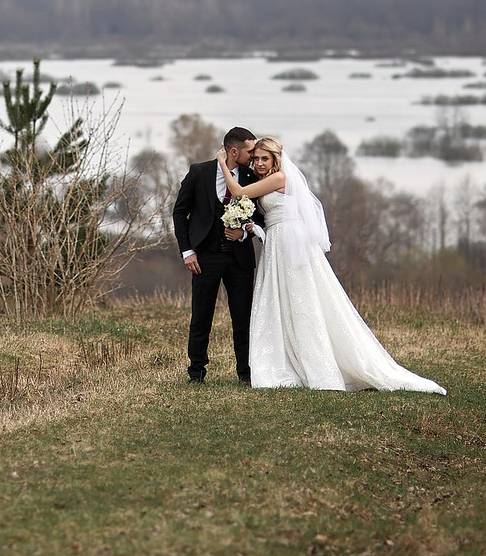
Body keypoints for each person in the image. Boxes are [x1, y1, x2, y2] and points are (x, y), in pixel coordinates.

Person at [220, 137, 446, 393]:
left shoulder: (280, 178)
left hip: (289, 241)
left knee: (303, 297)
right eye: (257, 158)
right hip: (276, 241)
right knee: (282, 298)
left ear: (276, 159)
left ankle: (321, 365)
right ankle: (287, 359)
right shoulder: (266, 181)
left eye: (265, 158)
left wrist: (222, 163)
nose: (260, 163)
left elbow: (238, 192)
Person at [172, 127, 264, 384]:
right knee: (201, 316)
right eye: (250, 151)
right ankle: (196, 373)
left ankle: (246, 374)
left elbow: (260, 218)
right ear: (234, 151)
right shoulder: (199, 172)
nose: (254, 155)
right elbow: (180, 213)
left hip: (240, 259)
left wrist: (245, 235)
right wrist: (187, 251)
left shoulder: (251, 176)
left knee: (242, 317)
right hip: (204, 258)